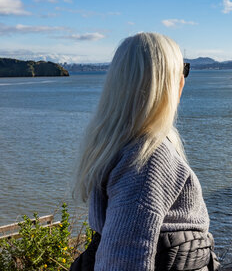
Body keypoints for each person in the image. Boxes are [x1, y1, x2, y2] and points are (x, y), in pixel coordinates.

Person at [72, 33, 218, 270]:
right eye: (183, 69)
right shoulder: (146, 160)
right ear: (168, 82)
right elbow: (122, 262)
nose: (184, 78)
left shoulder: (122, 145)